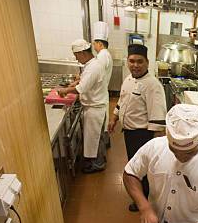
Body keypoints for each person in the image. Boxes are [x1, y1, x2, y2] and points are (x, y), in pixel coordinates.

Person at [109, 44, 167, 212]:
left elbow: (157, 116)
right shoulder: (128, 79)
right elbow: (121, 102)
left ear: (147, 63)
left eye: (139, 61)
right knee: (135, 166)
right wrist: (114, 118)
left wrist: (157, 145)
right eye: (132, 61)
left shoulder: (152, 85)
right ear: (127, 61)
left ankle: (145, 201)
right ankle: (141, 196)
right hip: (129, 133)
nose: (135, 65)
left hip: (143, 135)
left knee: (144, 170)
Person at [58, 39, 107, 173]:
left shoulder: (93, 66)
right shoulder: (92, 64)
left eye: (76, 55)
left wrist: (65, 90)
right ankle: (98, 160)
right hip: (96, 106)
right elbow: (86, 79)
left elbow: (82, 88)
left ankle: (98, 164)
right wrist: (76, 82)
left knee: (95, 138)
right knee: (97, 138)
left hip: (94, 108)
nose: (76, 58)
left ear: (83, 53)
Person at [92, 21, 113, 149]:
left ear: (100, 43)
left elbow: (95, 76)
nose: (93, 45)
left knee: (100, 124)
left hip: (100, 94)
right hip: (103, 93)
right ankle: (106, 141)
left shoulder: (102, 56)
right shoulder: (105, 55)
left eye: (94, 43)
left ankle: (102, 148)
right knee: (102, 122)